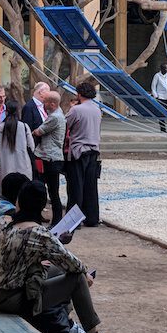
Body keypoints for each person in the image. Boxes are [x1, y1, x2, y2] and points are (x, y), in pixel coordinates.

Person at [0, 179, 125, 333]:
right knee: (77, 278)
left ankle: (68, 324)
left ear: (19, 201)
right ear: (42, 207)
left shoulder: (3, 221)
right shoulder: (38, 234)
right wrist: (85, 275)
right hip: (12, 300)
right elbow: (73, 263)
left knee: (56, 269)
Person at [63, 79, 103, 226]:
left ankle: (73, 221)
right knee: (91, 186)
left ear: (79, 94)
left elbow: (65, 125)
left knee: (76, 187)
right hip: (94, 150)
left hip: (78, 151)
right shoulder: (97, 110)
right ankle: (92, 218)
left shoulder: (76, 110)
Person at [33, 89, 67, 225]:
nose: (43, 104)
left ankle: (56, 221)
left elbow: (38, 131)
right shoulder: (58, 114)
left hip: (49, 158)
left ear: (52, 104)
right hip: (52, 158)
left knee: (52, 192)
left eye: (45, 102)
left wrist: (33, 131)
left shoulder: (54, 117)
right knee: (52, 191)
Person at [0, 102, 35, 189]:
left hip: (5, 169)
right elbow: (31, 147)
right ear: (18, 112)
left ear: (6, 112)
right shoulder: (24, 127)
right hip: (24, 168)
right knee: (23, 192)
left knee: (7, 193)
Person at [151, 62, 167, 132]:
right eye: (165, 68)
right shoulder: (157, 76)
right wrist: (156, 96)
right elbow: (153, 86)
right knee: (161, 114)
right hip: (161, 98)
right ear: (161, 69)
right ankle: (163, 128)